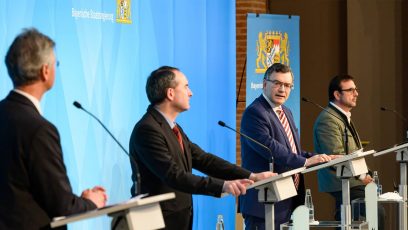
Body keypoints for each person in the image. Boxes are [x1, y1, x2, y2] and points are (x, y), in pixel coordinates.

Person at [129, 66, 275, 230]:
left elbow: (204, 160)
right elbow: (174, 175)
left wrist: (251, 175)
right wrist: (222, 185)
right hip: (158, 222)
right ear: (170, 93)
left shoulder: (172, 128)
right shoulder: (148, 130)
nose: (190, 93)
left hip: (179, 219)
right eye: (185, 86)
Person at [0, 28, 107, 229]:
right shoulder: (39, 129)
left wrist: (76, 200)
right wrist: (91, 202)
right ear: (45, 71)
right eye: (55, 64)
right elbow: (62, 206)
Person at [239, 63, 332, 230]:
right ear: (265, 84)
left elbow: (293, 152)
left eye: (287, 85)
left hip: (289, 198)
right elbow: (271, 149)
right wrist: (305, 162)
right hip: (265, 201)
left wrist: (320, 158)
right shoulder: (255, 112)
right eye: (277, 83)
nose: (283, 89)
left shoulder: (286, 111)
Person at [313, 74, 384, 229]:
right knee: (375, 212)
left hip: (352, 181)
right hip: (343, 181)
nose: (356, 93)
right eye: (351, 90)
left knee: (365, 215)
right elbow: (335, 156)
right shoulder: (328, 119)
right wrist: (363, 176)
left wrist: (367, 175)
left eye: (356, 89)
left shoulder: (341, 116)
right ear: (337, 94)